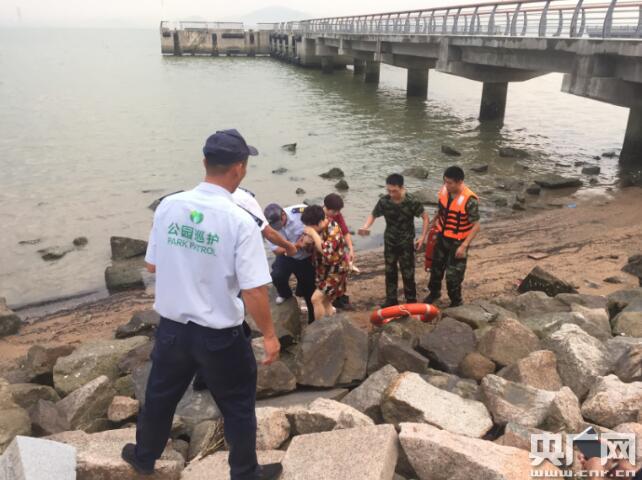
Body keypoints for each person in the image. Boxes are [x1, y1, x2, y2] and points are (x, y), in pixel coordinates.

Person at [121, 129, 282, 480]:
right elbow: (254, 290)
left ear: (205, 162)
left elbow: (152, 265)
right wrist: (270, 335)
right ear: (239, 168)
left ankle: (145, 456)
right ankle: (244, 472)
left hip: (173, 330)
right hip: (220, 336)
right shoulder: (240, 220)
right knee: (237, 405)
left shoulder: (169, 205)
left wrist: (188, 261)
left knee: (160, 395)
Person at [359, 173, 429, 308]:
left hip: (406, 242)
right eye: (389, 190)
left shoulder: (411, 201)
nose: (391, 194)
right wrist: (365, 226)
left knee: (408, 272)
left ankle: (411, 299)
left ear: (401, 187)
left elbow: (425, 217)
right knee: (390, 271)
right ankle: (391, 299)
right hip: (390, 241)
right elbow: (373, 215)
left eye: (394, 191)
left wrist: (422, 237)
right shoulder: (384, 201)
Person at [423, 166, 480, 308]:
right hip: (442, 236)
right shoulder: (444, 191)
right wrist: (433, 223)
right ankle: (434, 293)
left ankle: (456, 301)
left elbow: (476, 226)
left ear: (459, 182)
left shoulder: (470, 200)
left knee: (453, 276)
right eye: (445, 181)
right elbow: (441, 210)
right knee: (436, 268)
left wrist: (464, 246)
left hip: (458, 242)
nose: (446, 185)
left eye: (450, 183)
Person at [264, 203, 316, 324]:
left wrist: (309, 239)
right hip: (286, 255)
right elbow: (276, 250)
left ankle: (312, 320)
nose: (279, 227)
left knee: (309, 290)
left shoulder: (300, 212)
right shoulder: (267, 228)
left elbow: (317, 222)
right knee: (277, 276)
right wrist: (296, 245)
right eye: (275, 226)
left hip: (305, 257)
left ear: (283, 214)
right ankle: (285, 294)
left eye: (280, 223)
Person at [301, 205, 350, 320]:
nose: (307, 228)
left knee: (316, 299)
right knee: (326, 301)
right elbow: (307, 249)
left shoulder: (333, 230)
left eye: (309, 225)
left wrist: (313, 234)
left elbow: (326, 251)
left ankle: (320, 327)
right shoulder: (314, 229)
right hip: (322, 270)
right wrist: (306, 242)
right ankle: (330, 323)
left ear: (319, 222)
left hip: (336, 271)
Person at [233, 187, 297, 257]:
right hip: (287, 254)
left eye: (278, 224)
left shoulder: (297, 214)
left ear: (283, 214)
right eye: (275, 226)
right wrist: (295, 246)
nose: (278, 228)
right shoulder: (266, 227)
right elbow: (275, 247)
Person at [323, 193, 354, 310]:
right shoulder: (318, 216)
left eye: (338, 211)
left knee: (342, 273)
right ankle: (329, 301)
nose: (336, 214)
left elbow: (345, 231)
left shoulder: (337, 215)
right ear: (326, 208)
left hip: (338, 251)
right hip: (325, 253)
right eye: (334, 211)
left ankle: (340, 296)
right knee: (328, 278)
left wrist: (350, 248)